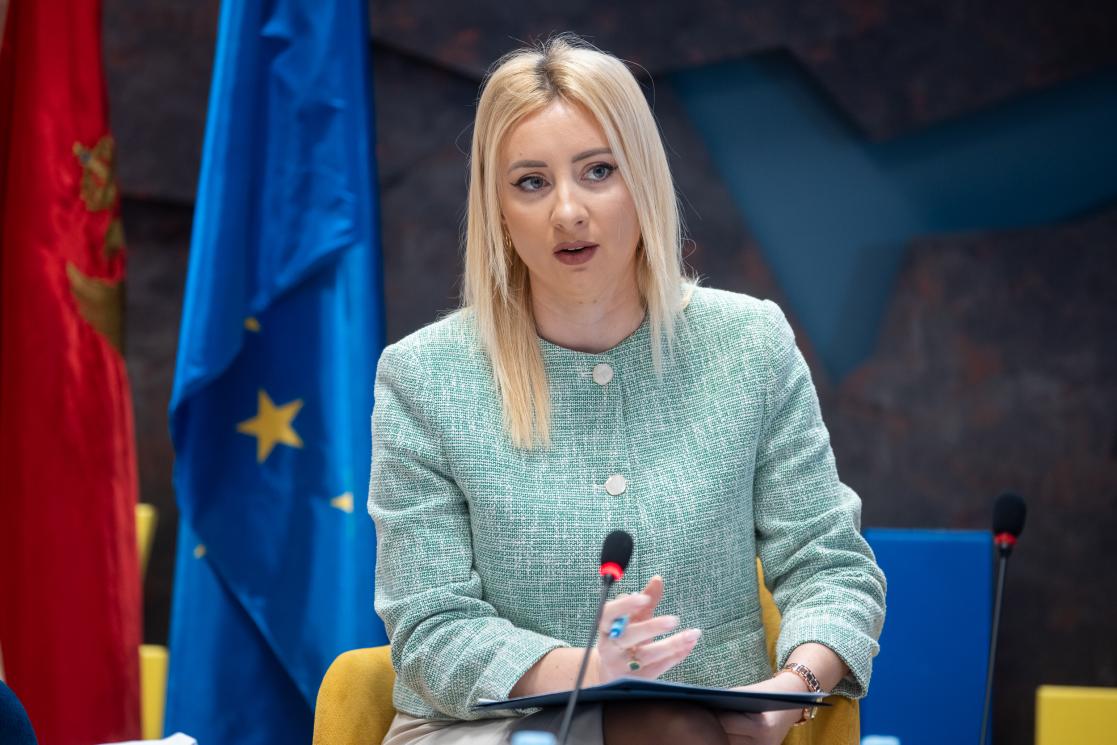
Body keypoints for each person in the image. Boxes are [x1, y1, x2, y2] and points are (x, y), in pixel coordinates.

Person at [368, 33, 886, 745]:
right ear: (497, 208)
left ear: (642, 182)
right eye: (531, 182)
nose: (567, 211)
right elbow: (428, 625)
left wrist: (787, 691)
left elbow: (831, 566)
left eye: (598, 171)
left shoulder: (750, 344)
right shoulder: (424, 377)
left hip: (719, 726)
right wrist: (582, 669)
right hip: (491, 726)